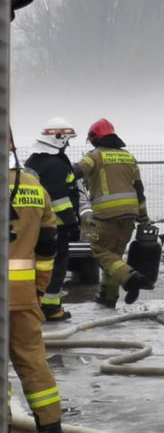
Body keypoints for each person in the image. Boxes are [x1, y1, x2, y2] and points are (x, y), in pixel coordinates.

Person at [7, 131, 66, 433]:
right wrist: (39, 291)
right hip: (24, 296)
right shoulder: (34, 188)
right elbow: (47, 247)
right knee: (33, 360)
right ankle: (51, 426)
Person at [74, 119, 150, 308]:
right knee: (113, 257)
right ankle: (108, 297)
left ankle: (130, 278)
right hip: (129, 217)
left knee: (100, 252)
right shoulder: (129, 158)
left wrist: (61, 175)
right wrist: (144, 219)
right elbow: (139, 191)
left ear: (94, 139)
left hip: (106, 216)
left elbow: (76, 171)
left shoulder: (94, 156)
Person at [25, 118, 83, 321]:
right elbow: (59, 198)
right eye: (67, 140)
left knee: (37, 266)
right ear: (59, 139)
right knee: (56, 266)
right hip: (55, 226)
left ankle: (35, 304)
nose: (68, 144)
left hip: (34, 225)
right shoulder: (56, 164)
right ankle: (50, 308)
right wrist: (72, 223)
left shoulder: (33, 161)